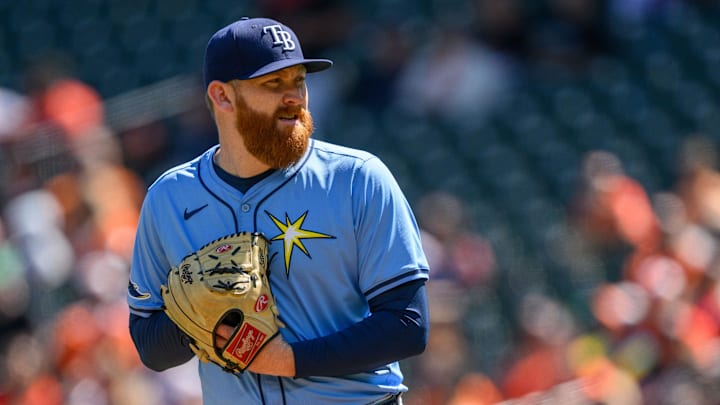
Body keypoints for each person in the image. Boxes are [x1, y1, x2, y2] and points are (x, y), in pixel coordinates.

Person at [126, 17, 430, 405]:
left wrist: (289, 360)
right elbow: (150, 347)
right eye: (274, 84)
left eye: (298, 81)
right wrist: (196, 314)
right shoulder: (169, 197)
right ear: (222, 97)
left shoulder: (357, 178)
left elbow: (408, 325)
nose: (295, 97)